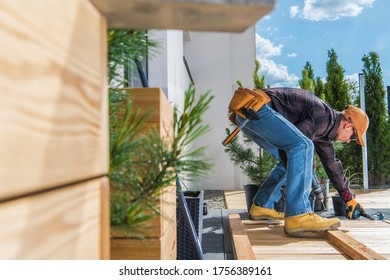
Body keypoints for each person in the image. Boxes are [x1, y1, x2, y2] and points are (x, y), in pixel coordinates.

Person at [228, 87, 369, 235]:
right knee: (302, 146)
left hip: (249, 113)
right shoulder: (323, 117)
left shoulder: (325, 129)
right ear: (349, 125)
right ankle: (298, 214)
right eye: (352, 137)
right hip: (257, 110)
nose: (348, 141)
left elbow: (332, 165)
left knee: (292, 159)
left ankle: (262, 206)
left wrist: (349, 199)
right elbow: (299, 147)